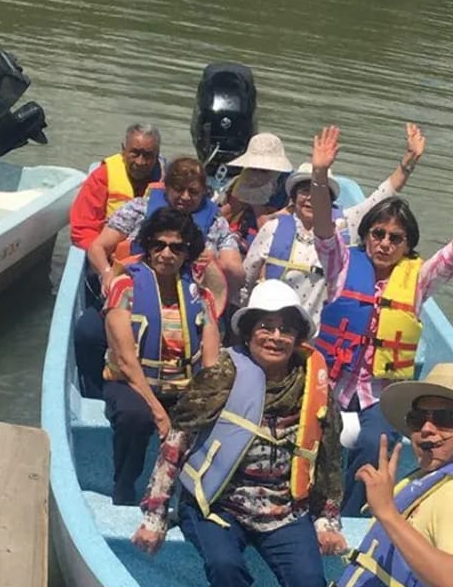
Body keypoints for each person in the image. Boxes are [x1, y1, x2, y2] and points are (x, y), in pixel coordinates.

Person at [309, 125, 453, 517]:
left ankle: (346, 520)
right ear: (366, 236)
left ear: (407, 244)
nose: (384, 243)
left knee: (376, 444)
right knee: (308, 434)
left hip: (376, 394)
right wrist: (318, 177)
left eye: (395, 238)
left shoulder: (417, 279)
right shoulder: (341, 264)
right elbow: (322, 228)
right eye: (378, 234)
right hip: (327, 381)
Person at [132, 280, 347, 587]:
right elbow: (176, 443)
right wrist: (155, 516)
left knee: (310, 580)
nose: (275, 337)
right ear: (248, 333)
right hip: (217, 504)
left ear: (298, 337)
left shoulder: (314, 386)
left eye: (285, 329)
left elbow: (328, 459)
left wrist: (327, 521)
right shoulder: (221, 376)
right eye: (266, 327)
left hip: (284, 512)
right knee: (225, 567)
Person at [336, 363, 453, 586]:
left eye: (444, 419)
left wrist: (387, 512)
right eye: (417, 419)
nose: (426, 428)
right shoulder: (438, 481)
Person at [242, 123, 425, 330]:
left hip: (321, 334)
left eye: (317, 191)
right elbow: (246, 281)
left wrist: (408, 161)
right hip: (276, 329)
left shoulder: (345, 225)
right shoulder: (272, 229)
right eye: (304, 191)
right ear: (293, 197)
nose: (310, 198)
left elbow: (384, 193)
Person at [101, 207, 221, 505]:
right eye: (159, 245)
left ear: (187, 253)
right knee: (135, 416)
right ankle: (125, 485)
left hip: (182, 387)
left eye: (177, 247)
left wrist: (207, 404)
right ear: (149, 246)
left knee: (216, 420)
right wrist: (158, 412)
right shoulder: (124, 286)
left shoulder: (200, 297)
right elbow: (126, 360)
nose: (167, 253)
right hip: (132, 383)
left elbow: (211, 362)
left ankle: (192, 499)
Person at [87, 156, 244, 298]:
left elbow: (236, 271)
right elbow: (97, 247)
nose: (185, 197)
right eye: (179, 189)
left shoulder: (217, 224)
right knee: (87, 329)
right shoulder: (137, 209)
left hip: (190, 298)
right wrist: (106, 274)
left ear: (204, 192)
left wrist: (214, 261)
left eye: (193, 191)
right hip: (134, 290)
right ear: (166, 187)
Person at [70, 123, 163, 250]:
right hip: (107, 253)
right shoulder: (102, 176)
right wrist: (102, 253)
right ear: (124, 150)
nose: (140, 162)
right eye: (135, 153)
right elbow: (82, 229)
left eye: (147, 155)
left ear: (157, 155)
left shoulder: (169, 181)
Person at [217, 132, 293, 255]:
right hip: (237, 237)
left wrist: (257, 203)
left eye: (263, 170)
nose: (257, 174)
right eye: (253, 168)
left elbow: (270, 233)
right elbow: (222, 216)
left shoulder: (288, 187)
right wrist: (241, 196)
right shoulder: (242, 178)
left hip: (266, 244)